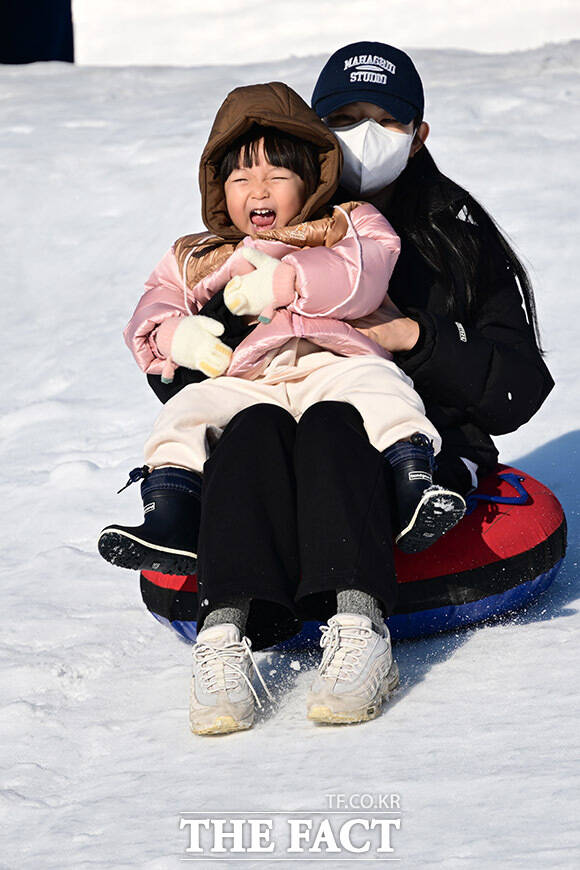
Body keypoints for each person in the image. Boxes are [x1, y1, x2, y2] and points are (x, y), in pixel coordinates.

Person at [99, 82, 467, 735]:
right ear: (218, 188)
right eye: (241, 175)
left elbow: (364, 275)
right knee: (188, 415)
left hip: (331, 361)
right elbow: (153, 307)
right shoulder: (196, 255)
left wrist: (289, 280)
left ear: (313, 178)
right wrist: (173, 336)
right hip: (254, 378)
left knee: (380, 395)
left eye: (276, 172)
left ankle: (410, 492)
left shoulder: (344, 224)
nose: (258, 190)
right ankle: (174, 520)